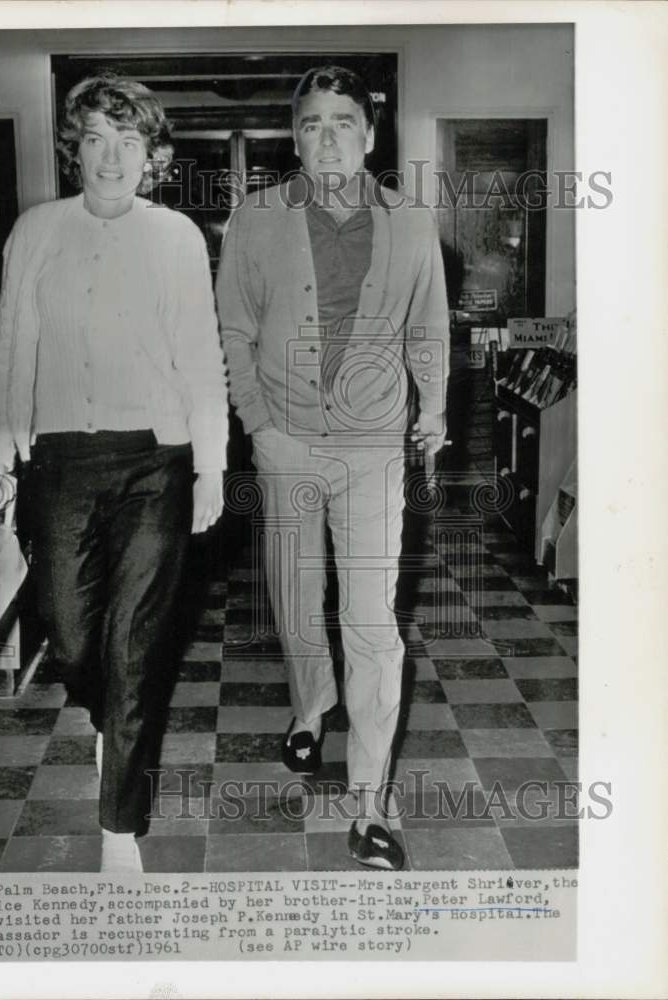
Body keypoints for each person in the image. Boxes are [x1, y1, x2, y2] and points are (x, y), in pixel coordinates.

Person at [0, 74, 228, 871]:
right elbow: (13, 345)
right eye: (95, 139)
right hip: (58, 462)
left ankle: (118, 829)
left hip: (155, 463)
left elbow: (201, 358)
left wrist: (213, 467)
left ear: (152, 156)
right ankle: (100, 711)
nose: (112, 158)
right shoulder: (37, 230)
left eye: (129, 143)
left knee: (131, 645)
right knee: (69, 630)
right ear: (74, 149)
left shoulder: (178, 237)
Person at [216, 66, 449, 870]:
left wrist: (436, 407)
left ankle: (369, 805)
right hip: (285, 442)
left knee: (372, 620)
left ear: (369, 135)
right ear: (296, 136)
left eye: (343, 123)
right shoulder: (255, 219)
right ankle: (310, 710)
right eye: (312, 124)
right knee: (295, 591)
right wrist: (261, 429)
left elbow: (430, 324)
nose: (328, 139)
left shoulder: (412, 222)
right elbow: (234, 333)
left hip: (375, 444)